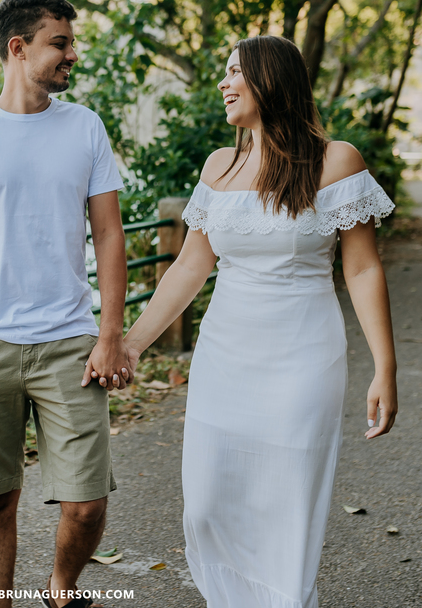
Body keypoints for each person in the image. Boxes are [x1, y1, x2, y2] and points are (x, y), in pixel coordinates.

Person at [118, 35, 399, 607]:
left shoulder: (336, 161)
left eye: (234, 72)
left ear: (271, 79)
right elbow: (189, 267)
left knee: (284, 503)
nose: (223, 84)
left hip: (303, 355)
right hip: (225, 355)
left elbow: (363, 268)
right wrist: (130, 344)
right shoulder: (219, 166)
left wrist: (385, 367)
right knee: (206, 504)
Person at [0, 0, 131, 608]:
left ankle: (61, 588)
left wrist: (110, 334)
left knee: (87, 503)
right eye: (59, 43)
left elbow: (109, 235)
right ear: (19, 47)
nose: (72, 54)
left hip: (69, 342)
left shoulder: (84, 126)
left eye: (71, 42)